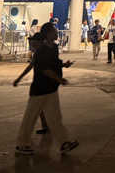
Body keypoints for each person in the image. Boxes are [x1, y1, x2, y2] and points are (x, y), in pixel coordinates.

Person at [14, 23, 79, 156]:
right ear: (48, 33)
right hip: (39, 89)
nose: (56, 33)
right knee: (30, 117)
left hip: (51, 89)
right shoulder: (42, 50)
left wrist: (64, 65)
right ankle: (22, 144)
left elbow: (54, 63)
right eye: (54, 31)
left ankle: (64, 142)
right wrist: (59, 79)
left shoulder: (54, 47)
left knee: (55, 117)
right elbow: (45, 69)